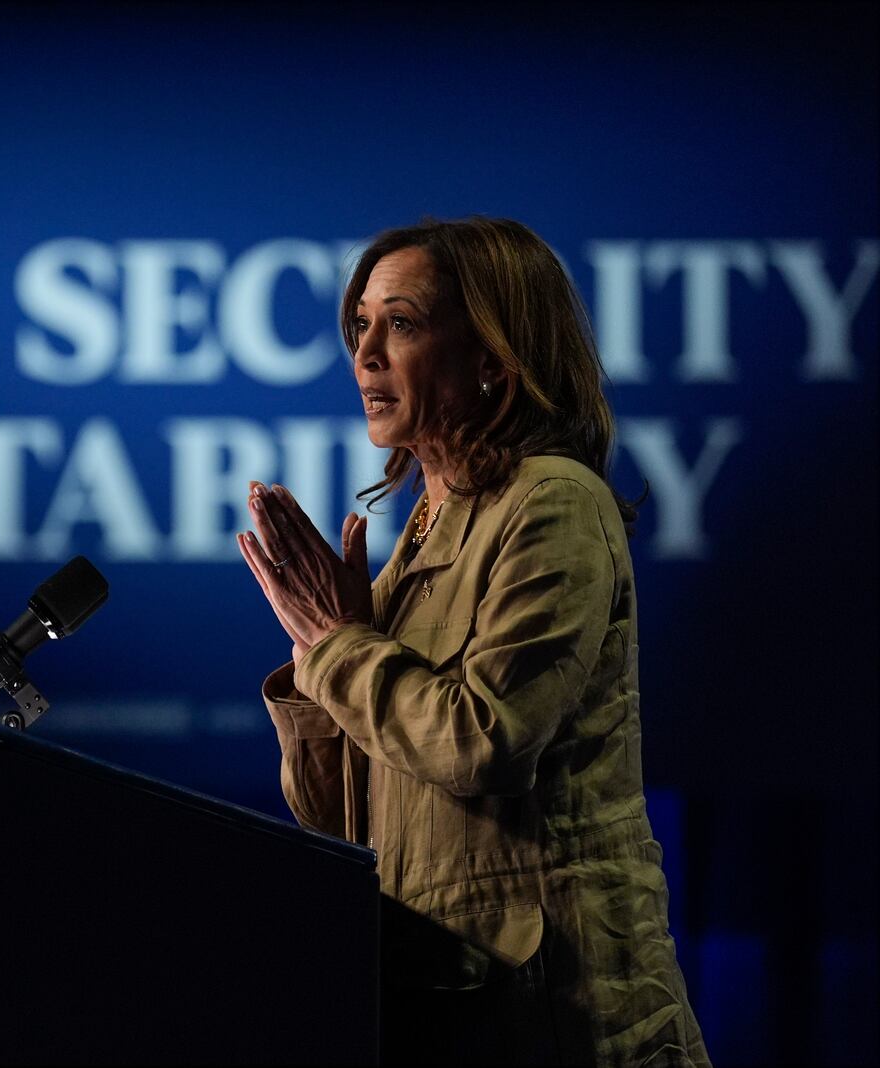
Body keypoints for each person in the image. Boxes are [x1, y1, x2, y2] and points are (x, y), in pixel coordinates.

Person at [238, 216, 709, 1066]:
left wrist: (339, 644)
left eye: (403, 323)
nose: (366, 353)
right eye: (361, 326)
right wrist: (318, 656)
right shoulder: (429, 524)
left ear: (496, 356)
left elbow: (482, 745)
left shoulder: (551, 503)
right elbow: (346, 819)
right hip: (447, 1008)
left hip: (565, 1021)